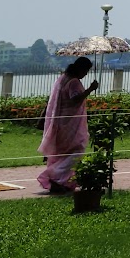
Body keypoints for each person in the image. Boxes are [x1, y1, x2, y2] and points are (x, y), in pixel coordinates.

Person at [37, 57, 99, 193]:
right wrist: (90, 89)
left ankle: (63, 181)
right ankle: (55, 176)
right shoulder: (74, 82)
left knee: (62, 153)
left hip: (60, 123)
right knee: (77, 151)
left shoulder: (62, 78)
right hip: (70, 124)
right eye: (86, 70)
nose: (86, 74)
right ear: (81, 69)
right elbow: (74, 99)